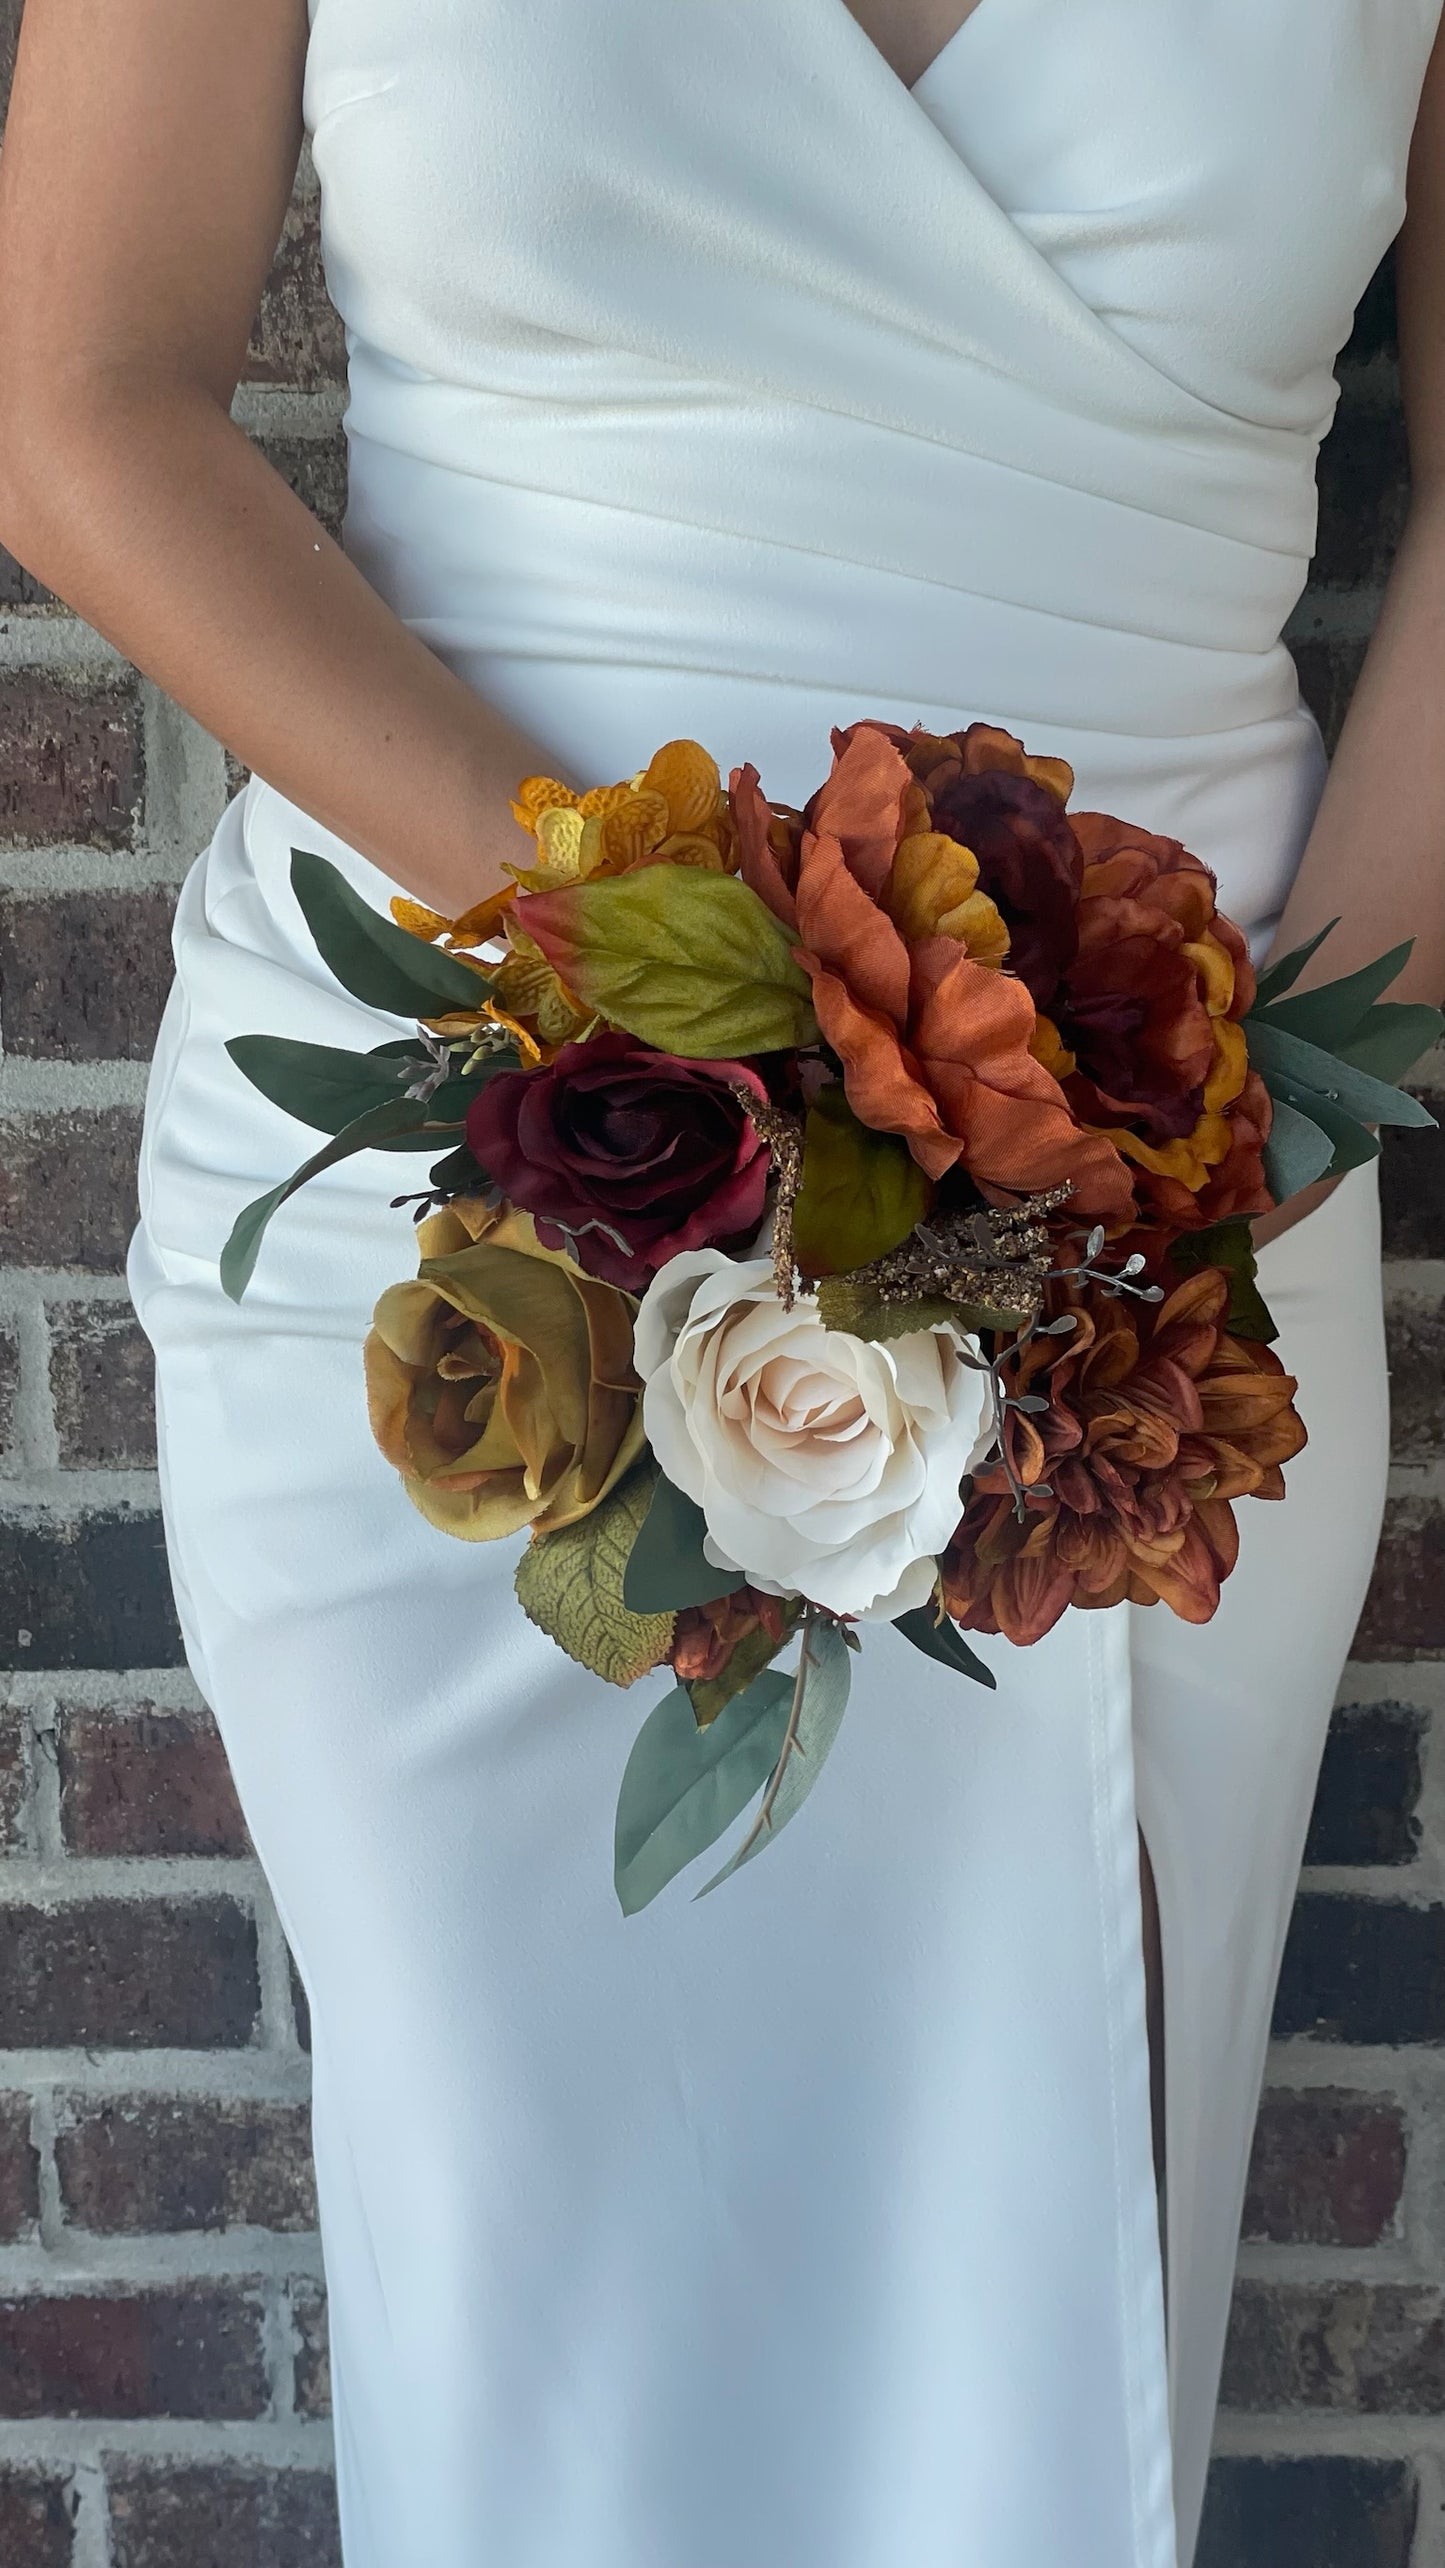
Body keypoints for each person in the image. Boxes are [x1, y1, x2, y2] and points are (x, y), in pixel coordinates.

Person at [1, 3, 1441, 2561]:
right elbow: (83, 400)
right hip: (476, 1191)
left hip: (1156, 1240)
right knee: (534, 2306)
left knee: (1032, 2299)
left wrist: (1257, 1124)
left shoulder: (1199, 1195)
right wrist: (699, 991)